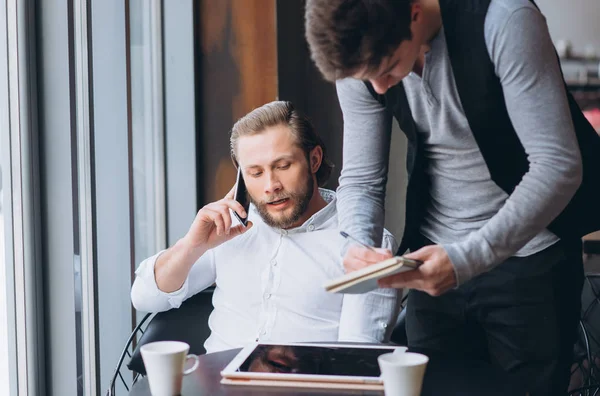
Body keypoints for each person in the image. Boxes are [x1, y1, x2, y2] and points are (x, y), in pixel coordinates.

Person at [304, 0, 600, 394]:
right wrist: (357, 243)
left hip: (530, 265)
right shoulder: (361, 57)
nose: (378, 88)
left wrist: (465, 258)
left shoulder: (505, 19)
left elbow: (557, 166)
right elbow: (362, 179)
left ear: (413, 12)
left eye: (389, 68)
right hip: (433, 270)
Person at [131, 101, 400, 354]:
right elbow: (145, 298)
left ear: (314, 160)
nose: (271, 185)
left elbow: (358, 358)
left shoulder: (363, 244)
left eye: (283, 166)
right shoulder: (230, 228)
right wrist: (193, 246)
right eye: (256, 173)